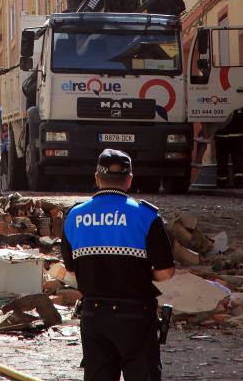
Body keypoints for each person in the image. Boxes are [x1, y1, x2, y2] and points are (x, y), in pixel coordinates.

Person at [62, 149, 175, 381]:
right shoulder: (147, 216)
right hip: (136, 317)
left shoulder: (74, 216)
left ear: (97, 178)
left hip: (94, 315)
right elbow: (166, 271)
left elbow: (71, 271)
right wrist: (143, 274)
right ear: (130, 179)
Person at [214, 107, 243, 188]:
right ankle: (239, 182)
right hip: (236, 135)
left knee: (222, 159)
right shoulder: (239, 101)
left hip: (222, 135)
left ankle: (222, 181)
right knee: (237, 158)